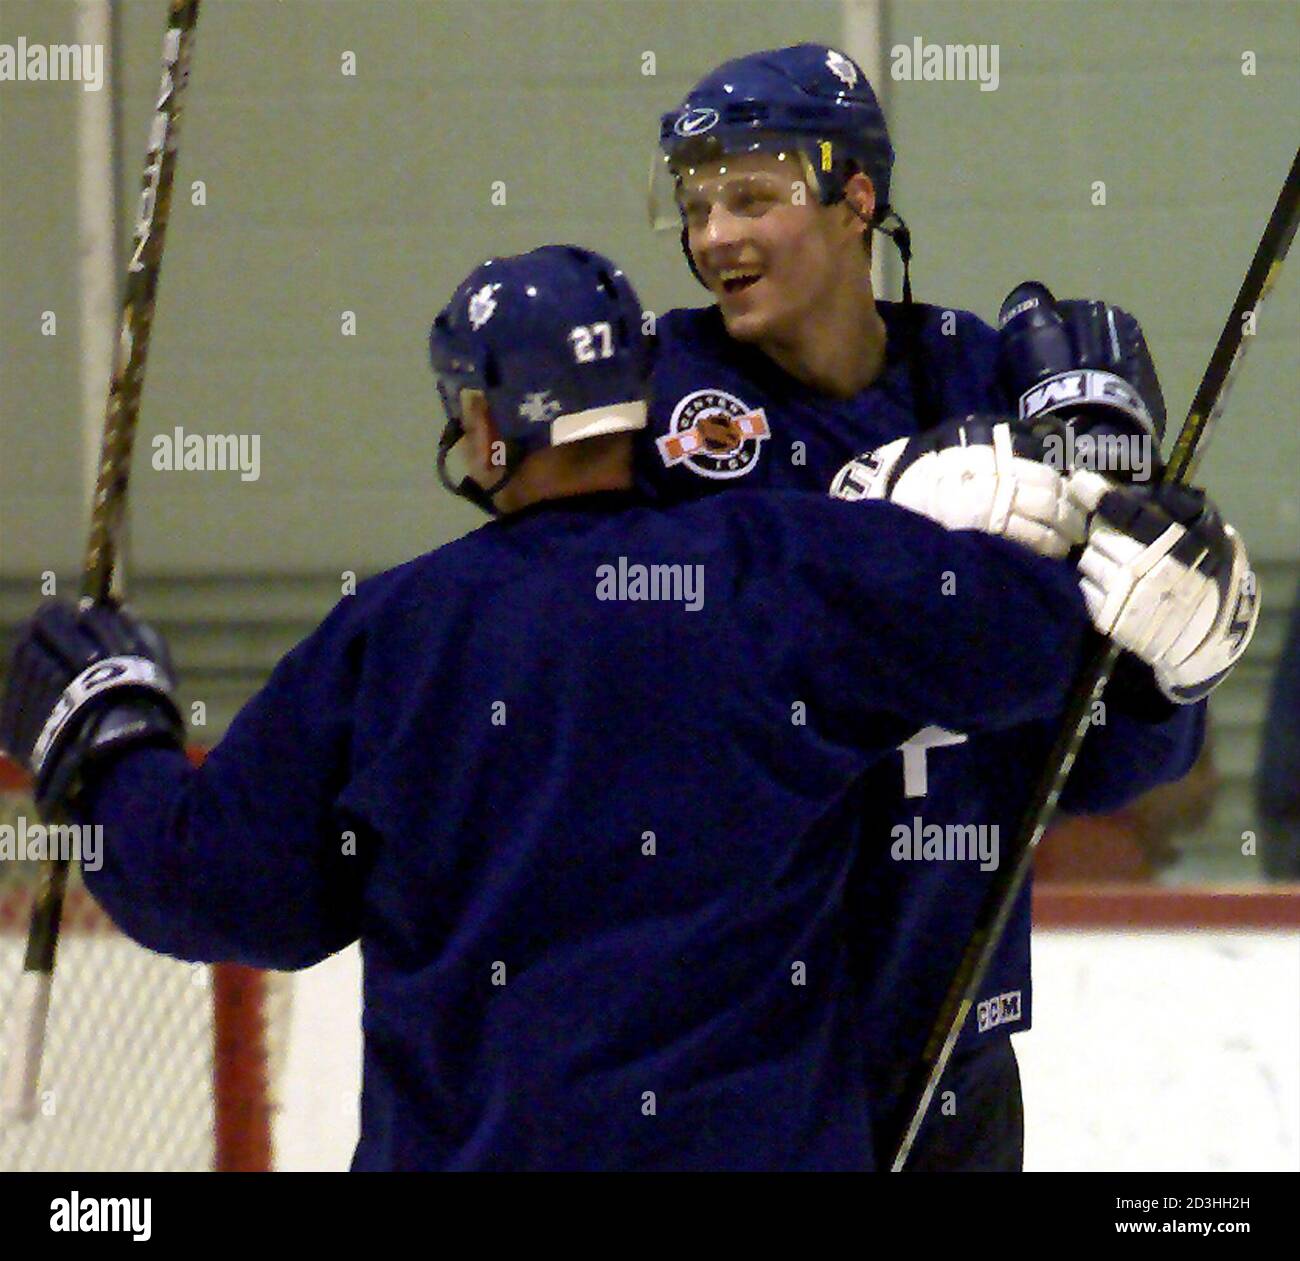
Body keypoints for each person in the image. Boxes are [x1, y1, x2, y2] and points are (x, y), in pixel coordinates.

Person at [641, 43, 1259, 1168]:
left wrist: (1166, 670)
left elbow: (1094, 767)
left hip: (952, 1048)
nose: (713, 234)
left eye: (751, 195)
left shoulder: (985, 380)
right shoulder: (665, 404)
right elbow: (649, 679)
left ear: (856, 198)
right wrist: (859, 522)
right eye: (694, 204)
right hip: (727, 1060)